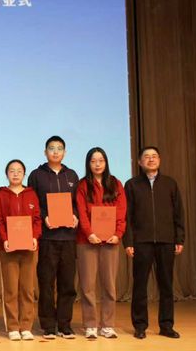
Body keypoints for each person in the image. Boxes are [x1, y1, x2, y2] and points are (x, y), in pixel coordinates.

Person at [124, 146, 185, 340]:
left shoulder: (170, 184)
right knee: (140, 285)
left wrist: (179, 238)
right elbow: (127, 216)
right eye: (146, 157)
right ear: (139, 162)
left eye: (154, 156)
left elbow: (178, 213)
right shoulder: (132, 185)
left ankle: (166, 325)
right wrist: (128, 241)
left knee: (166, 284)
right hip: (141, 241)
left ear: (159, 160)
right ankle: (140, 325)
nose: (151, 159)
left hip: (166, 240)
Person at [27, 135, 79, 340]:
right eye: (51, 148)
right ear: (45, 152)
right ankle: (48, 325)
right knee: (46, 282)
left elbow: (76, 203)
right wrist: (44, 217)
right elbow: (32, 203)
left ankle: (65, 324)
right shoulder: (36, 175)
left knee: (67, 284)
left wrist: (75, 216)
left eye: (59, 148)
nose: (55, 152)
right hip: (47, 237)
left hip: (68, 238)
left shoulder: (72, 175)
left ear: (65, 152)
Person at [75, 147, 127, 339]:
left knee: (109, 285)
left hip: (110, 241)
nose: (97, 164)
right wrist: (89, 233)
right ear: (88, 164)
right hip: (87, 242)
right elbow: (81, 212)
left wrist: (118, 234)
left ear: (106, 162)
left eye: (101, 160)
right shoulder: (82, 185)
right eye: (93, 161)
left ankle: (107, 325)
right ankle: (90, 325)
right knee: (87, 285)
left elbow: (121, 211)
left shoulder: (116, 184)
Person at [0, 159, 41, 341]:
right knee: (11, 289)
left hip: (29, 248)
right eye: (12, 171)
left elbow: (37, 219)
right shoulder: (0, 195)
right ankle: (13, 326)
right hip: (8, 248)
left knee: (27, 289)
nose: (15, 174)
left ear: (24, 174)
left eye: (19, 171)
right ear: (7, 174)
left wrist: (35, 237)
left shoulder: (31, 194)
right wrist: (5, 239)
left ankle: (26, 326)